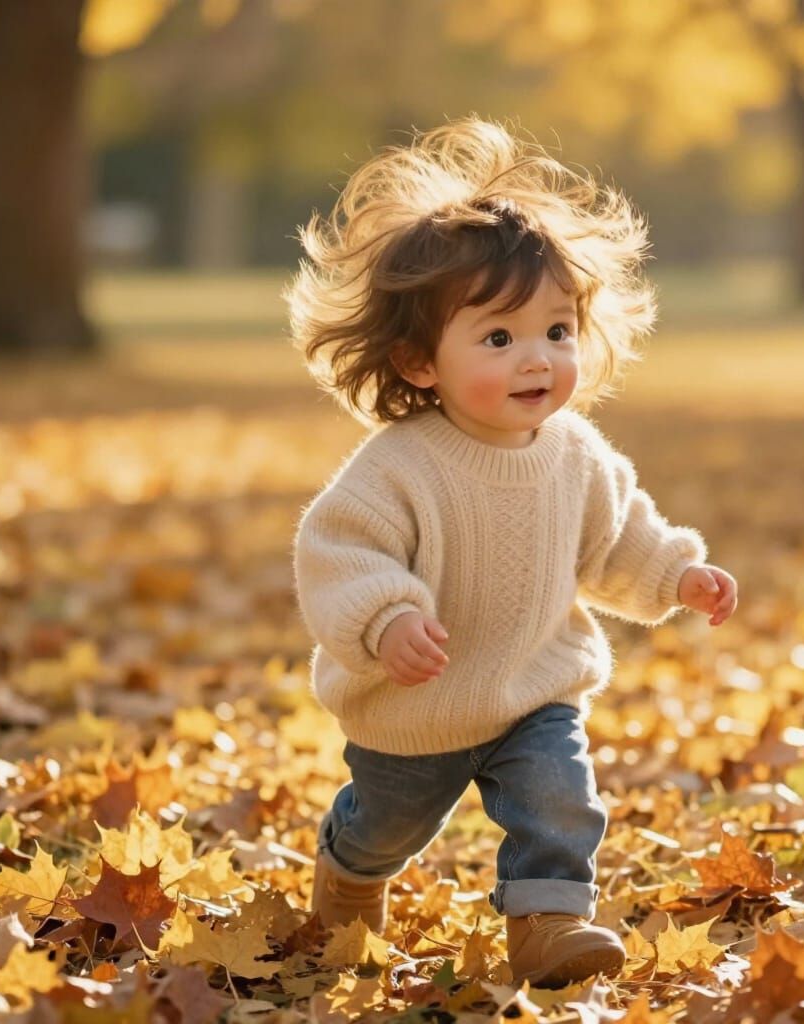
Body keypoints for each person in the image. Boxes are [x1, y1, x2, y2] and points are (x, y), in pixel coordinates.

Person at [285, 115, 738, 988]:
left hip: (533, 691)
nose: (538, 360)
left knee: (560, 801)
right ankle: (349, 872)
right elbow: (340, 551)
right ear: (420, 362)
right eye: (499, 338)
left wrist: (676, 573)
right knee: (387, 826)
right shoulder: (399, 467)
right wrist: (386, 621)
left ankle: (548, 926)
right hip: (413, 711)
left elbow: (616, 536)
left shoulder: (576, 454)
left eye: (557, 331)